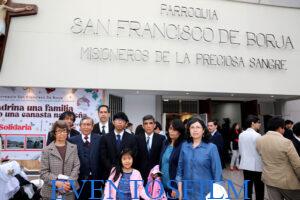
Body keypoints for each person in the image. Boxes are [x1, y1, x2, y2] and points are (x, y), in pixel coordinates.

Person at [176, 118, 222, 200]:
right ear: (189, 130)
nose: (195, 130)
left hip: (206, 193)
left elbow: (217, 174)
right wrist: (180, 192)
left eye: (198, 127)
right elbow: (179, 171)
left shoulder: (211, 148)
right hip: (187, 193)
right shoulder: (184, 146)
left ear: (203, 130)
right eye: (192, 127)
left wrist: (216, 195)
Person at [256, 117, 300, 200]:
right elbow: (297, 164)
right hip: (287, 182)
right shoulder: (286, 142)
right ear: (280, 128)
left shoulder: (259, 140)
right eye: (284, 128)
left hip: (269, 180)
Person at [40, 120, 80, 200]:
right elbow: (43, 173)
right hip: (50, 192)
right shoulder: (47, 150)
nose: (61, 134)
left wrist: (69, 182)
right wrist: (57, 183)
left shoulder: (73, 147)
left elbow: (76, 166)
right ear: (54, 133)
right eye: (58, 131)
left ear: (67, 132)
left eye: (64, 131)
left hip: (69, 190)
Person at [69, 116, 102, 199]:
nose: (86, 127)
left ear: (92, 126)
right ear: (80, 126)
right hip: (78, 180)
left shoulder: (99, 139)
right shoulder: (72, 140)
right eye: (84, 124)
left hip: (95, 180)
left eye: (88, 124)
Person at [100, 112, 137, 180]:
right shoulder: (105, 137)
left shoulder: (132, 138)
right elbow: (103, 156)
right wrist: (112, 169)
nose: (120, 122)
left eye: (122, 121)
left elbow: (134, 154)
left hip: (126, 172)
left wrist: (125, 167)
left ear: (126, 124)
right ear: (113, 122)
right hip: (109, 173)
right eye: (117, 120)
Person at [238, 115, 264, 200]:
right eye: (258, 122)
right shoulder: (257, 135)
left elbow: (241, 151)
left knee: (247, 187)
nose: (260, 124)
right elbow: (261, 152)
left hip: (245, 165)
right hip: (257, 165)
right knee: (259, 188)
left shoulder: (241, 135)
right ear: (253, 123)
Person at [160, 119, 186, 199]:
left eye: (174, 130)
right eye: (170, 128)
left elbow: (182, 169)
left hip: (173, 185)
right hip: (162, 182)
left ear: (180, 132)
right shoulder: (165, 142)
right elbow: (162, 162)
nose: (171, 131)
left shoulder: (183, 145)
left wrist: (175, 186)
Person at [135, 115, 165, 184]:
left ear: (154, 125)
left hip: (156, 175)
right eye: (146, 123)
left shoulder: (161, 138)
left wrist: (159, 173)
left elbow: (162, 158)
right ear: (143, 126)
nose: (148, 126)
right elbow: (135, 157)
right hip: (140, 175)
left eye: (151, 123)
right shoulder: (136, 138)